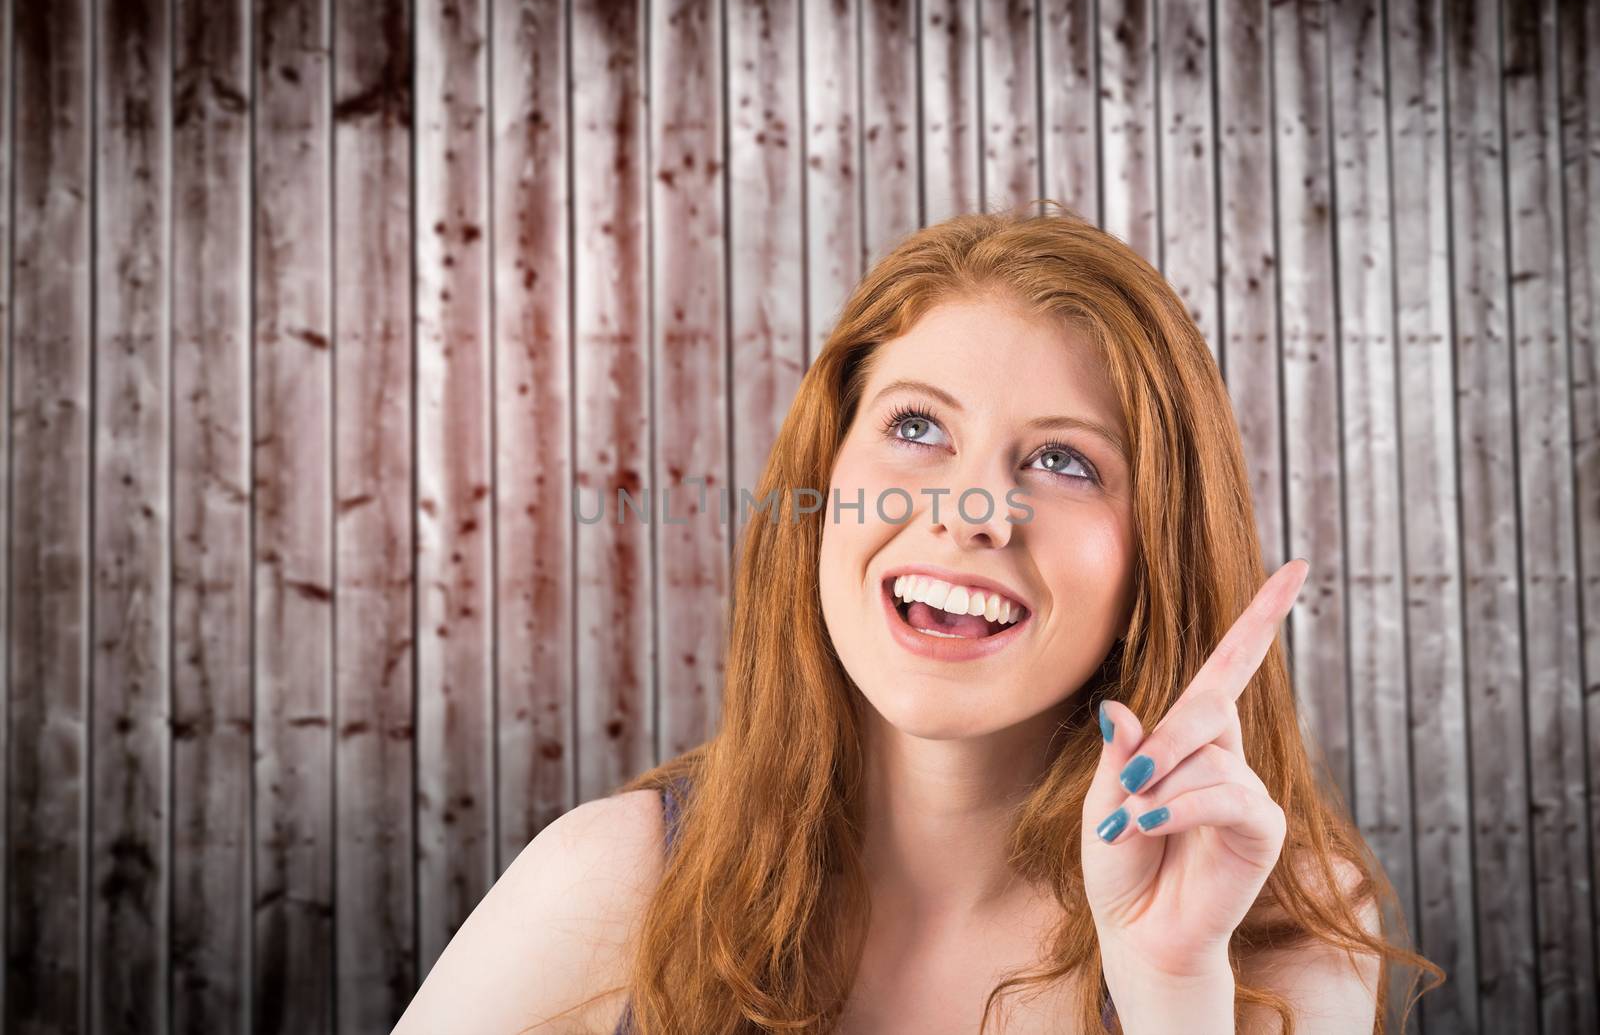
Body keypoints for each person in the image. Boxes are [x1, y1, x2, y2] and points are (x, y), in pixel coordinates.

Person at [394, 203, 1442, 1034]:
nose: (967, 510)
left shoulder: (1271, 917)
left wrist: (1171, 989)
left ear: (1159, 550)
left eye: (1063, 460)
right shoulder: (614, 878)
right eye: (915, 427)